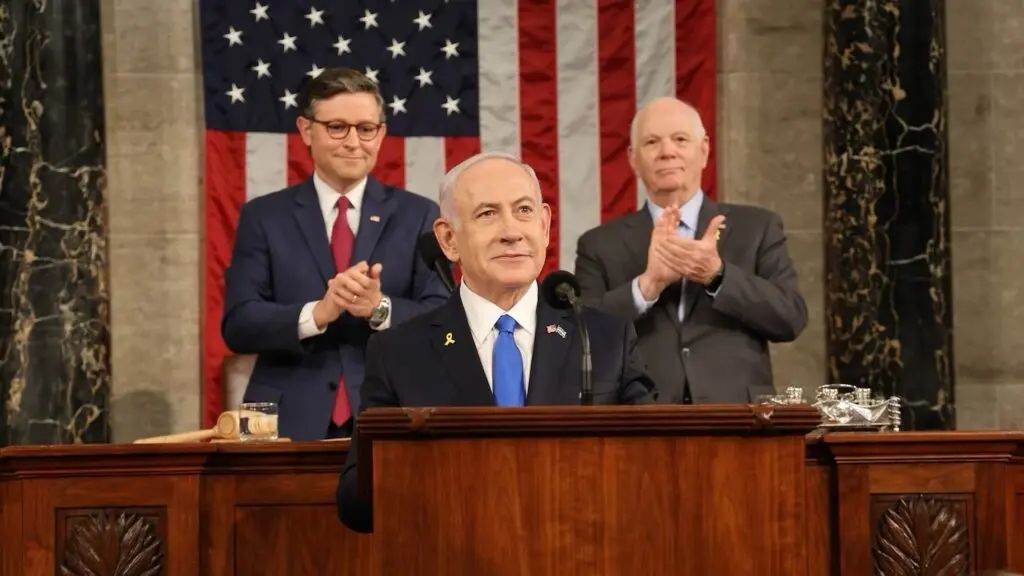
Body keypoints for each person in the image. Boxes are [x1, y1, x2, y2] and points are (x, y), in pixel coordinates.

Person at [336, 152, 657, 533]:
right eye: (487, 214)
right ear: (448, 239)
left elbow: (652, 472)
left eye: (523, 211)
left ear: (544, 225)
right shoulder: (399, 353)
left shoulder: (605, 339)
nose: (511, 232)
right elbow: (356, 501)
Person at [221, 68, 449, 441]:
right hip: (282, 421)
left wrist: (378, 308)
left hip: (393, 414)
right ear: (306, 130)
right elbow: (238, 325)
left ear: (381, 134)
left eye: (366, 128)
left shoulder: (420, 215)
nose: (353, 142)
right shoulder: (263, 216)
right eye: (337, 127)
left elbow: (445, 322)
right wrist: (317, 314)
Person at [574, 97, 807, 405]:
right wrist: (647, 287)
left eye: (680, 139)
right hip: (641, 418)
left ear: (704, 150)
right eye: (652, 142)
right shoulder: (598, 244)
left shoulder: (757, 228)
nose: (667, 151)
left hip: (739, 418)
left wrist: (718, 276)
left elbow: (790, 319)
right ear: (633, 158)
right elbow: (580, 339)